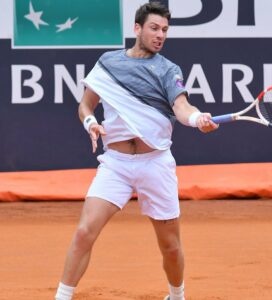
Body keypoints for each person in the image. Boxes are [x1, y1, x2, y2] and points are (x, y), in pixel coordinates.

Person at [54, 2, 218, 300]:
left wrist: (196, 119)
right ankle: (62, 297)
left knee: (170, 245)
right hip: (115, 164)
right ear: (137, 28)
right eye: (154, 28)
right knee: (83, 232)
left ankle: (176, 295)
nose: (160, 35)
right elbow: (85, 105)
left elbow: (181, 106)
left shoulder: (168, 70)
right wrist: (90, 122)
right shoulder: (108, 63)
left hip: (155, 164)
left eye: (165, 31)